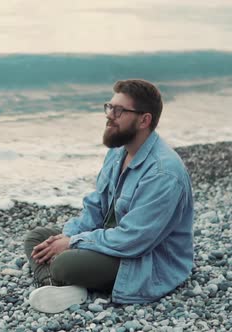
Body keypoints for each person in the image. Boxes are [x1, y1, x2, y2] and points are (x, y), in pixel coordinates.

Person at [23, 79, 194, 313]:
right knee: (37, 238)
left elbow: (134, 240)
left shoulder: (163, 173)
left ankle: (61, 280)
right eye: (109, 107)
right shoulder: (117, 152)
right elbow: (95, 209)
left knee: (64, 262)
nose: (109, 115)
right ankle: (58, 287)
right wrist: (67, 236)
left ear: (144, 120)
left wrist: (72, 243)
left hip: (143, 260)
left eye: (119, 110)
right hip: (109, 242)